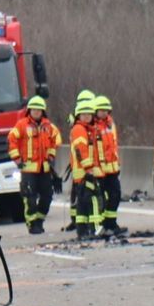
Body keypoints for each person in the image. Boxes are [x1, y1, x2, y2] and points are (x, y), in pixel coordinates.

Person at [8, 95, 61, 234]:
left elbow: (57, 139)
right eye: (34, 110)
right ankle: (32, 224)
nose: (36, 112)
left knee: (47, 196)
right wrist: (17, 158)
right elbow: (12, 139)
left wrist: (51, 155)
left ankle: (39, 220)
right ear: (29, 110)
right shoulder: (22, 125)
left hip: (44, 168)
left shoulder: (49, 126)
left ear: (43, 111)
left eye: (39, 110)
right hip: (28, 169)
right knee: (29, 198)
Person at [69, 100, 105, 239]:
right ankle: (95, 228)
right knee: (94, 199)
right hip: (85, 172)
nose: (87, 116)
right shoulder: (79, 129)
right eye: (83, 114)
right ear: (78, 115)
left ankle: (82, 230)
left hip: (83, 173)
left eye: (89, 114)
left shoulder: (89, 129)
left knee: (83, 203)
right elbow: (81, 151)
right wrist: (89, 169)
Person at [95, 95, 125, 236]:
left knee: (115, 195)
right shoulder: (92, 127)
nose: (104, 113)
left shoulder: (111, 124)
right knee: (101, 199)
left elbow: (113, 146)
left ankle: (111, 223)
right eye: (101, 110)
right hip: (99, 171)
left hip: (112, 169)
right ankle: (102, 225)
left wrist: (117, 164)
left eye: (106, 110)